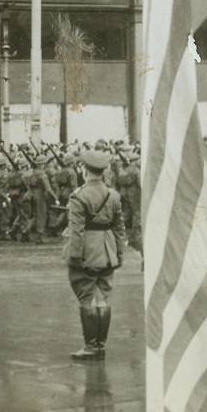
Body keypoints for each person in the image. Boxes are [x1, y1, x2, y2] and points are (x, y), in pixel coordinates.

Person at [61, 149, 126, 361]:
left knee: (86, 297)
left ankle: (90, 347)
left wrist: (75, 256)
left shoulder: (79, 196)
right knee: (102, 297)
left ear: (84, 169)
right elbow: (119, 227)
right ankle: (100, 346)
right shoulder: (113, 195)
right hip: (107, 251)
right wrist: (119, 253)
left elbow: (77, 230)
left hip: (87, 250)